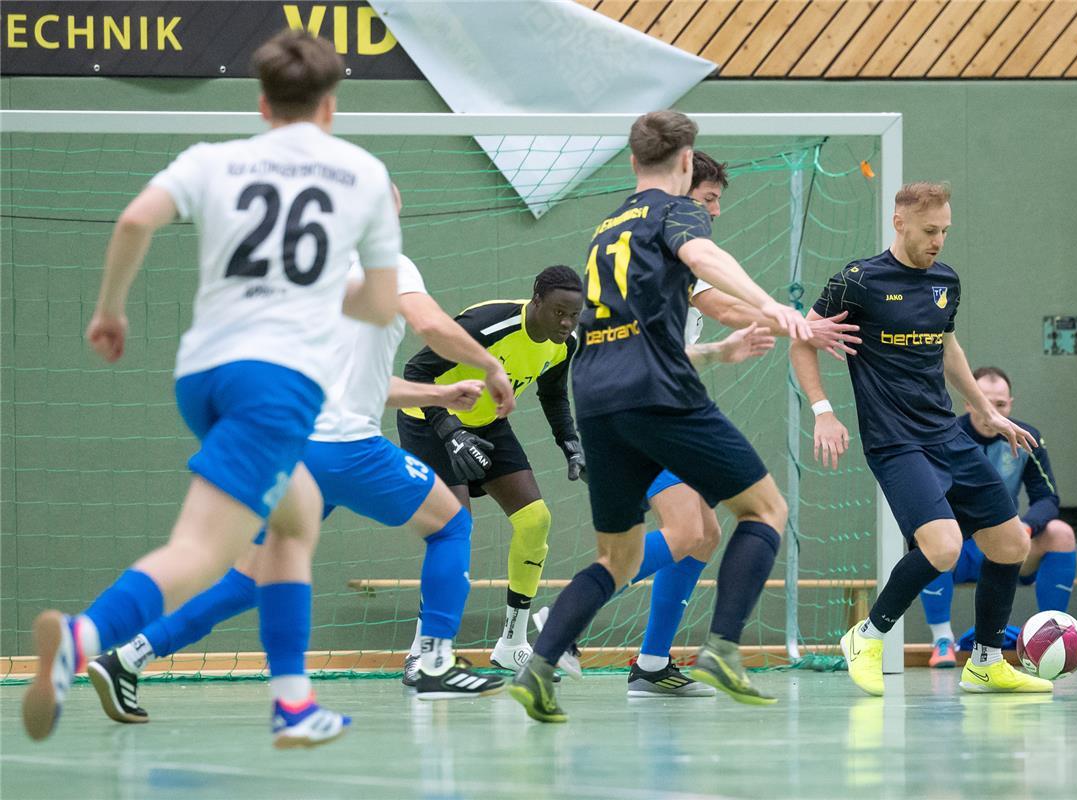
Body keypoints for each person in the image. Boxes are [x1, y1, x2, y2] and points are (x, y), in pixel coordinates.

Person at [23, 30, 401, 747]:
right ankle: (83, 638)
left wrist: (110, 309)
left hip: (204, 375)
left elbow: (136, 218)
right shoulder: (362, 174)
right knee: (200, 550)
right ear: (330, 105)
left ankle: (293, 701)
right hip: (278, 383)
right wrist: (322, 285)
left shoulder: (213, 160)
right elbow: (383, 308)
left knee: (296, 517)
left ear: (262, 102)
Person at [507, 110, 857, 723]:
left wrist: (738, 338)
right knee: (765, 510)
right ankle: (721, 647)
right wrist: (776, 305)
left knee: (623, 554)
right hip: (658, 390)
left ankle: (541, 667)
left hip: (594, 396)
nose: (712, 206)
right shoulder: (677, 212)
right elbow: (705, 264)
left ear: (631, 161)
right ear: (688, 163)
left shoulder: (605, 227)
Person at [86, 235, 520, 722]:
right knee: (451, 525)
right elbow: (430, 324)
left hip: (296, 451)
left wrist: (439, 395)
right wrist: (489, 363)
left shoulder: (310, 278)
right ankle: (435, 660)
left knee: (247, 578)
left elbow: (362, 386)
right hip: (349, 449)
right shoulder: (390, 265)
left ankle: (127, 658)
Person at [791, 180, 1054, 696]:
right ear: (900, 222)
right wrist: (823, 411)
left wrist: (985, 412)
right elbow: (804, 338)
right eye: (930, 230)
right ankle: (866, 636)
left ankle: (984, 661)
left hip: (945, 433)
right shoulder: (858, 280)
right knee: (945, 546)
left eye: (946, 231)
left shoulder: (946, 281)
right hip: (895, 442)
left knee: (1011, 543)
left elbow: (947, 346)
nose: (938, 240)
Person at [621, 150, 858, 697]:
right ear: (681, 190)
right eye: (708, 200)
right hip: (644, 408)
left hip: (660, 402)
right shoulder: (666, 245)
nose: (717, 212)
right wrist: (798, 324)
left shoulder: (651, 241)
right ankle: (557, 622)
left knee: (701, 537)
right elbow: (728, 308)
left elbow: (706, 325)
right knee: (693, 530)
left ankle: (652, 664)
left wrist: (756, 337)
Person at [396, 266, 587, 676]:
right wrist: (449, 431)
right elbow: (416, 371)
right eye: (558, 312)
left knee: (536, 521)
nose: (567, 323)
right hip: (430, 420)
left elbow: (553, 395)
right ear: (536, 301)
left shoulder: (564, 342)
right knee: (455, 526)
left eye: (575, 314)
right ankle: (422, 651)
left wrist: (570, 444)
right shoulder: (488, 324)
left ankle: (512, 643)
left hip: (487, 423)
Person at [920, 366, 1077, 668]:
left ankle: (1051, 636)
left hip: (1005, 545)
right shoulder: (944, 436)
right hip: (959, 547)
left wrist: (1027, 527)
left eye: (1001, 404)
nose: (992, 410)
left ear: (1011, 404)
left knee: (1060, 533)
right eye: (984, 401)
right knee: (931, 535)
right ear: (969, 401)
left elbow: (1048, 498)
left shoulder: (1026, 437)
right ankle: (942, 640)